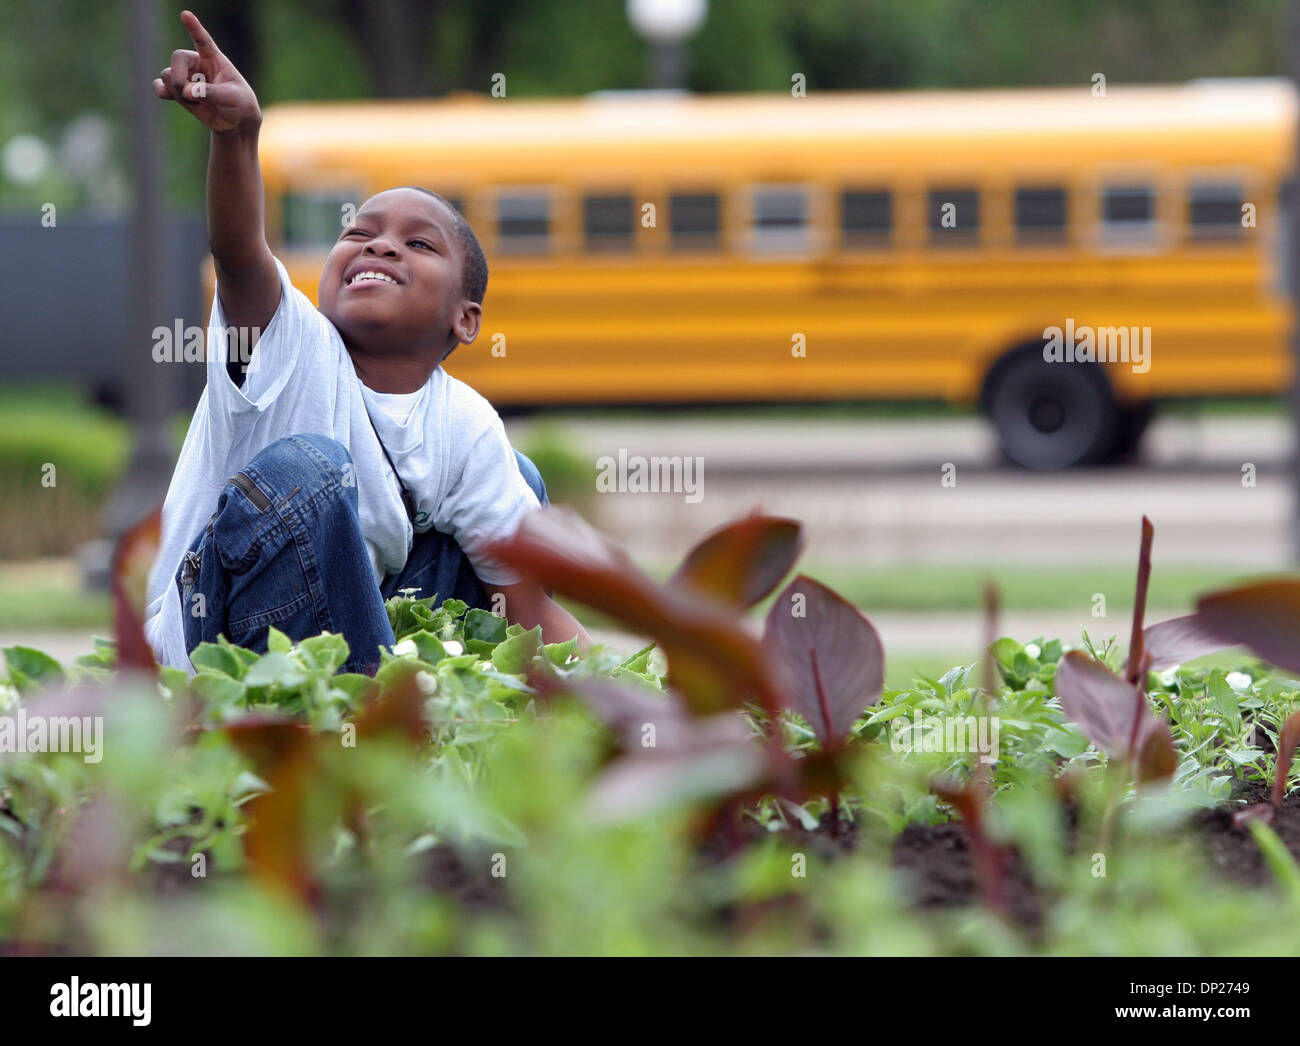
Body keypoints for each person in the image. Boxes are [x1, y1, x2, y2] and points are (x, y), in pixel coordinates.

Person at [142, 10, 589, 675]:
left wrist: (643, 705)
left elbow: (528, 607)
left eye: (418, 243)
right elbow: (239, 256)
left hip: (349, 623)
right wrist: (240, 138)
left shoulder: (461, 425)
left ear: (465, 321)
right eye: (359, 232)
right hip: (220, 634)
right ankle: (376, 723)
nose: (379, 243)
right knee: (310, 469)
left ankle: (417, 701)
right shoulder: (292, 345)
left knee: (515, 480)